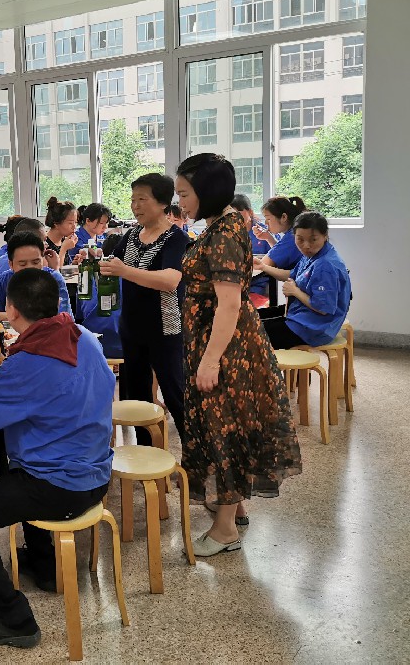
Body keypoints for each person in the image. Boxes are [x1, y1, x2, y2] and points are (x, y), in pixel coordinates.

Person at [0, 268, 114, 648]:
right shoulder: (83, 337)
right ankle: (44, 566)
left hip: (60, 485)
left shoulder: (29, 361)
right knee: (18, 463)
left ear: (10, 309)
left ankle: (14, 618)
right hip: (97, 471)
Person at [175, 153, 301, 556]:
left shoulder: (225, 233)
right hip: (216, 339)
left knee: (224, 426)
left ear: (208, 192)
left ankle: (225, 529)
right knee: (225, 422)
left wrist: (210, 360)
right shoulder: (221, 225)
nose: (180, 202)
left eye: (184, 194)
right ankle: (236, 506)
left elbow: (228, 305)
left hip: (225, 346)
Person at [100, 173, 190, 446]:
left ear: (162, 203)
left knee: (176, 394)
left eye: (142, 199)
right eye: (132, 200)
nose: (135, 206)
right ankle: (146, 452)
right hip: (132, 327)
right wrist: (97, 262)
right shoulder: (131, 235)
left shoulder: (176, 238)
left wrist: (124, 271)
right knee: (138, 396)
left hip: (165, 328)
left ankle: (197, 457)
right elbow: (114, 262)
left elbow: (171, 280)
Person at [261, 212, 351, 349]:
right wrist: (263, 267)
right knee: (253, 317)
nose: (306, 245)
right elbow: (292, 274)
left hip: (313, 329)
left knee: (250, 333)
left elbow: (322, 309)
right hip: (302, 315)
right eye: (300, 239)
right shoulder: (313, 254)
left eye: (313, 239)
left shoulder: (325, 265)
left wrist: (295, 291)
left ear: (325, 235)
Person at [0, 232, 71, 323]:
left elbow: (64, 321)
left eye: (36, 262)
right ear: (11, 264)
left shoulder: (53, 279)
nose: (30, 268)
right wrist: (12, 316)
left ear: (43, 259)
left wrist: (16, 317)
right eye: (22, 264)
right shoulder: (5, 279)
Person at [79, 234, 123, 360]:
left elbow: (79, 315)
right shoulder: (135, 280)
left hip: (93, 347)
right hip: (126, 347)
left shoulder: (87, 279)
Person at [252, 196, 309, 291]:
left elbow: (264, 263)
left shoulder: (292, 237)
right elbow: (280, 254)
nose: (266, 223)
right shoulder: (294, 232)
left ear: (284, 217)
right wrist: (268, 237)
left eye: (268, 219)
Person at [0, 218, 55, 284]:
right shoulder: (6, 272)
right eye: (44, 240)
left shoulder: (9, 255)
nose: (47, 245)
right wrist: (54, 269)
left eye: (35, 262)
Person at [231, 194, 271, 306]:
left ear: (250, 212)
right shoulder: (228, 234)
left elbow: (279, 258)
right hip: (232, 286)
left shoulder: (265, 233)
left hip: (257, 287)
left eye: (238, 213)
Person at [43, 197, 80, 266]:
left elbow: (64, 268)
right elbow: (55, 271)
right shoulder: (44, 244)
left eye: (75, 222)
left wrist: (74, 264)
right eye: (70, 223)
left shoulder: (63, 240)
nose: (74, 227)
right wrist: (64, 249)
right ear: (56, 224)